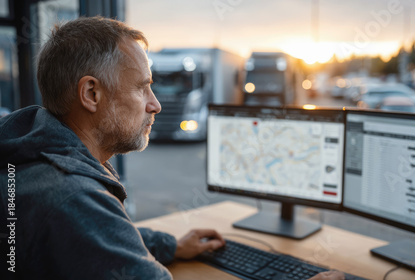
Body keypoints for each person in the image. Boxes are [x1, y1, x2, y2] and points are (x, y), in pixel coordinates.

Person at [0, 17, 344, 280]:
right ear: (91, 94)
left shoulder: (33, 147)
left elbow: (100, 235)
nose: (156, 105)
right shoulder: (71, 195)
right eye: (143, 88)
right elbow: (86, 220)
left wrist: (172, 246)